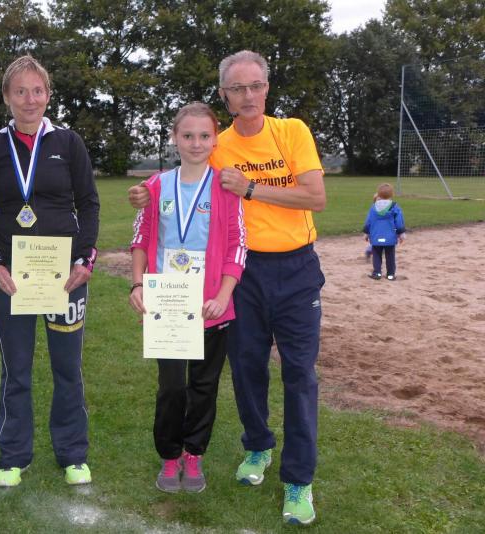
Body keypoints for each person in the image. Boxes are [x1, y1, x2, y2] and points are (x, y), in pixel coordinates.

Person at [129, 50, 326, 525]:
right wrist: (143, 193)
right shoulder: (219, 145)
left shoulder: (292, 131)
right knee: (246, 370)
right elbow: (180, 176)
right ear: (225, 95)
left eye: (255, 85)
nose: (248, 95)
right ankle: (257, 446)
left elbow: (316, 197)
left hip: (296, 268)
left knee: (300, 375)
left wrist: (252, 189)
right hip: (242, 275)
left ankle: (299, 479)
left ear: (267, 88)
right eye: (237, 88)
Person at [0, 55, 100, 488]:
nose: (29, 99)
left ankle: (73, 454)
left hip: (65, 277)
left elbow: (89, 203)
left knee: (68, 367)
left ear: (48, 95)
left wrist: (84, 259)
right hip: (12, 279)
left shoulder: (69, 143)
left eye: (37, 90)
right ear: (7, 96)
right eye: (20, 91)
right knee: (16, 368)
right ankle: (13, 456)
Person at [128, 103, 246, 493]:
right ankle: (169, 455)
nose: (196, 143)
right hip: (168, 308)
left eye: (204, 136)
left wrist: (223, 295)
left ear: (215, 140)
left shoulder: (226, 187)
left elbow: (237, 246)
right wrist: (138, 285)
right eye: (188, 135)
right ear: (174, 138)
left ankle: (193, 454)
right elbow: (141, 239)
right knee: (172, 387)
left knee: (203, 386)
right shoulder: (156, 186)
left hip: (210, 307)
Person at [363, 183, 406, 280]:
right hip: (390, 237)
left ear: (378, 194)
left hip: (376, 236)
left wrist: (366, 233)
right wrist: (401, 234)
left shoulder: (373, 207)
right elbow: (399, 222)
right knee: (390, 256)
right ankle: (390, 275)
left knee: (377, 255)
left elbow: (368, 221)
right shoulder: (395, 207)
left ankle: (377, 273)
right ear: (392, 194)